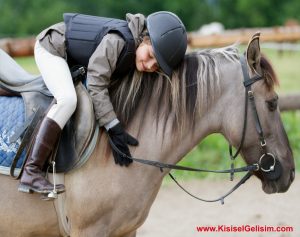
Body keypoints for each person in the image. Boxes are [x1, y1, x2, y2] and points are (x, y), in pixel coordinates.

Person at [18, 11, 187, 196]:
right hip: (51, 48)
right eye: (151, 55)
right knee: (67, 100)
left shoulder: (135, 49)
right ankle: (31, 170)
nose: (148, 65)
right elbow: (96, 84)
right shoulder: (118, 41)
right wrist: (114, 127)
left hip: (69, 56)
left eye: (156, 66)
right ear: (145, 39)